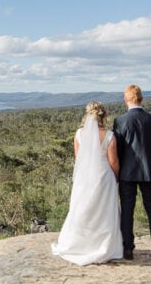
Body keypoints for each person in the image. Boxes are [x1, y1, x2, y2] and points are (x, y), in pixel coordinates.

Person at [51, 101, 124, 265]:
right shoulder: (110, 136)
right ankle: (104, 245)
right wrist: (116, 177)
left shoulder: (78, 134)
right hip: (104, 176)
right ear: (103, 117)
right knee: (104, 211)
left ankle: (80, 244)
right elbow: (113, 162)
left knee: (82, 208)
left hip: (85, 177)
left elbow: (79, 159)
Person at [113, 84, 151, 263]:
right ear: (141, 98)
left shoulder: (120, 121)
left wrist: (120, 170)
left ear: (126, 99)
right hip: (149, 172)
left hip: (127, 173)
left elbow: (118, 151)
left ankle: (127, 249)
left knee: (127, 210)